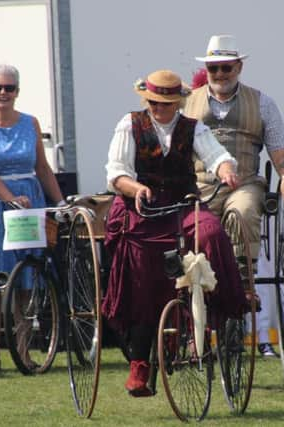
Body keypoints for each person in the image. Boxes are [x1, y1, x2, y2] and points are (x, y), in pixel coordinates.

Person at [103, 69, 247, 397]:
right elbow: (116, 173)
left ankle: (213, 307)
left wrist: (225, 170)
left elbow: (217, 155)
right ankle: (140, 362)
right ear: (147, 100)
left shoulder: (192, 128)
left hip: (182, 205)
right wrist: (135, 187)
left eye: (166, 103)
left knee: (210, 233)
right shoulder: (130, 124)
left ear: (177, 102)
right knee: (141, 266)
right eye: (154, 102)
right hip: (140, 208)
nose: (159, 108)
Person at [183, 34, 284, 356]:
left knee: (244, 211)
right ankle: (196, 319)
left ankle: (245, 287)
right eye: (213, 68)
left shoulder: (262, 102)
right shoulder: (187, 102)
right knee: (194, 232)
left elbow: (278, 147)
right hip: (200, 187)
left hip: (244, 182)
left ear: (239, 66)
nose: (220, 74)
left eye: (225, 67)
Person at [0, 64, 64, 371]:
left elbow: (42, 168)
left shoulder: (30, 123)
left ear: (17, 91)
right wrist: (10, 199)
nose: (2, 93)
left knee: (24, 281)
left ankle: (23, 351)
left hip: (27, 199)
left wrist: (59, 202)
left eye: (8, 88)